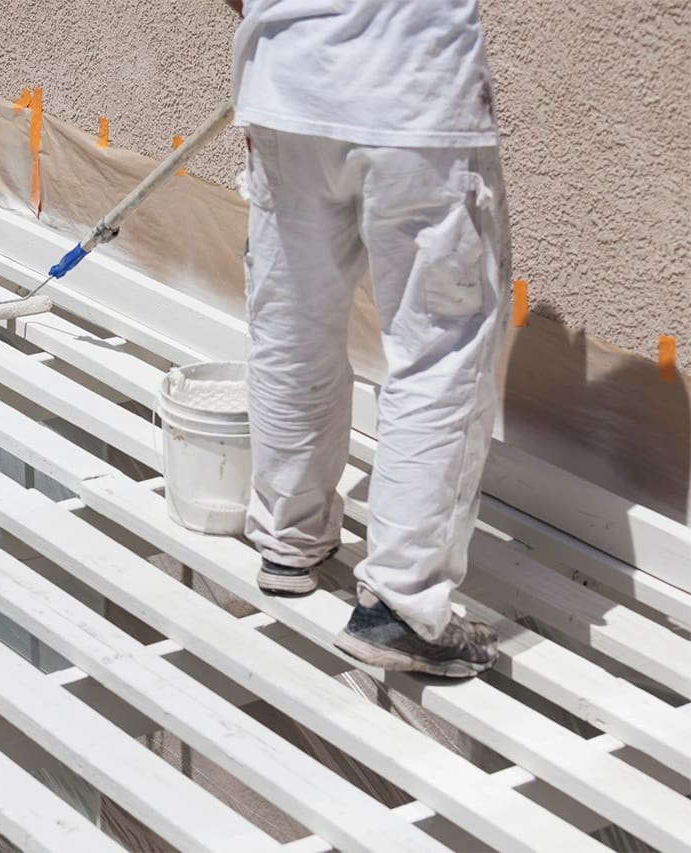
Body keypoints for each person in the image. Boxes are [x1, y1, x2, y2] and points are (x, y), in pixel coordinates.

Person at [227, 0, 510, 677]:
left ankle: (289, 539)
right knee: (440, 346)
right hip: (412, 92)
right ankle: (401, 607)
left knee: (291, 326)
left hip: (287, 82)